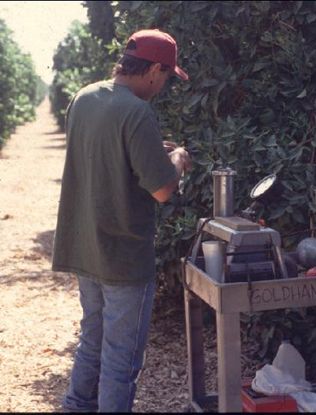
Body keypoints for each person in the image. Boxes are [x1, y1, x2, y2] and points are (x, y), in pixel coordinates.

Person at [52, 29, 192, 412]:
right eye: (165, 77)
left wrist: (148, 153)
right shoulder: (137, 110)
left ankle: (76, 407)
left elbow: (107, 157)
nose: (163, 85)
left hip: (85, 247)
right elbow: (163, 189)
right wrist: (177, 158)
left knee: (92, 342)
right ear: (154, 69)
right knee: (120, 359)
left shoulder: (84, 98)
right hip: (124, 255)